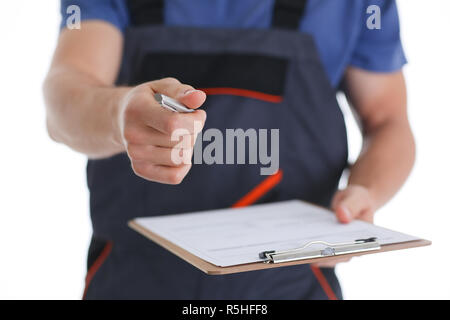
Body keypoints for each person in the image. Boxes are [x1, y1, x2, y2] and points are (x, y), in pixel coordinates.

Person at [43, 0, 415, 299]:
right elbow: (65, 99)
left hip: (294, 284)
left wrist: (366, 190)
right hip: (133, 280)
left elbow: (388, 121)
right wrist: (118, 113)